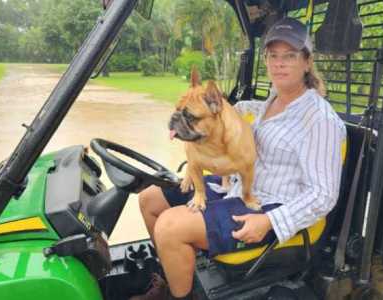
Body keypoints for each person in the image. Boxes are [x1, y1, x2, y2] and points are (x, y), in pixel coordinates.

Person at [137, 17, 347, 300]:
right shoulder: (272, 101)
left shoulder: (320, 120)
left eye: (289, 56)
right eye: (273, 56)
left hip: (272, 207)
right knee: (149, 198)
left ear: (307, 62)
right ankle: (170, 276)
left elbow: (323, 194)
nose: (279, 63)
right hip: (237, 185)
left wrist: (269, 221)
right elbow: (240, 117)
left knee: (170, 227)